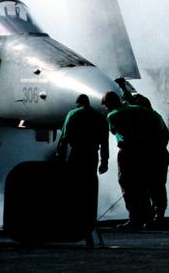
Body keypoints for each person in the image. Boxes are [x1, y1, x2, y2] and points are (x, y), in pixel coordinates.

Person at [56, 93, 109, 244]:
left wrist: (60, 157)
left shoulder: (73, 113)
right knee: (89, 186)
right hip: (92, 154)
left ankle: (73, 218)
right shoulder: (99, 117)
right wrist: (105, 161)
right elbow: (104, 141)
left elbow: (64, 137)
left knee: (73, 185)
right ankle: (88, 219)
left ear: (78, 103)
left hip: (76, 153)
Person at [102, 90, 151, 228]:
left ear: (109, 104)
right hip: (142, 150)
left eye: (105, 105)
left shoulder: (112, 115)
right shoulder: (137, 109)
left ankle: (134, 218)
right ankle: (147, 217)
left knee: (126, 184)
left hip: (127, 152)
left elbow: (113, 131)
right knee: (141, 183)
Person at [132, 94, 169, 225]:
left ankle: (147, 216)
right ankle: (158, 215)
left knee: (146, 187)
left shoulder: (141, 117)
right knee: (158, 186)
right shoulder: (156, 116)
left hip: (148, 155)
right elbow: (166, 134)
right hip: (160, 154)